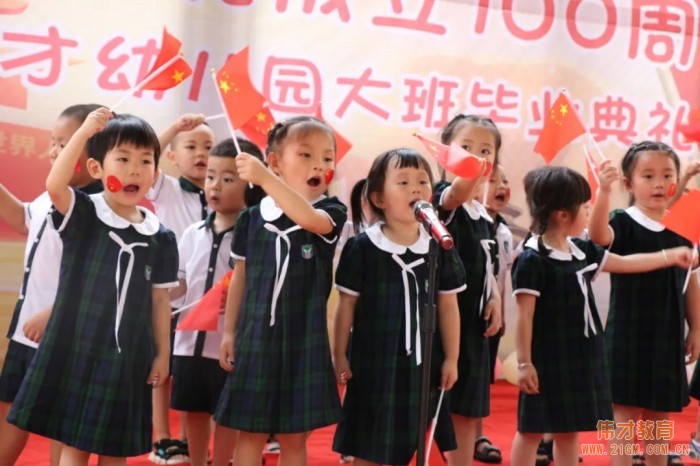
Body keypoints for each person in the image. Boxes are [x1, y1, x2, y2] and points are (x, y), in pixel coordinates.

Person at [7, 108, 179, 466]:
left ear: (155, 172)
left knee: (114, 447)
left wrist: (162, 354)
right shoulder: (85, 213)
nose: (134, 169)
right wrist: (84, 132)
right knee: (75, 443)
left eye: (145, 160)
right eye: (123, 158)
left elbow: (160, 300)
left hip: (129, 355)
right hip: (78, 346)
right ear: (97, 169)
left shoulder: (160, 237)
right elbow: (55, 185)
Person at [512, 165, 694, 466]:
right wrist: (524, 363)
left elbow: (624, 263)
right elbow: (525, 316)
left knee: (568, 431)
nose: (588, 214)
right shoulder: (533, 258)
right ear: (562, 214)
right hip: (547, 358)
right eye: (585, 208)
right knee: (531, 430)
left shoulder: (580, 249)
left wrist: (669, 256)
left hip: (578, 355)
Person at [215, 116, 347, 466]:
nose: (319, 164)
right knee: (251, 432)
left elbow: (308, 220)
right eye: (305, 155)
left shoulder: (330, 211)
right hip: (256, 336)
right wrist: (230, 331)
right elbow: (239, 277)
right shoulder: (251, 218)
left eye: (328, 157)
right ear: (275, 161)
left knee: (293, 435)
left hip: (305, 338)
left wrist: (264, 180)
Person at [331, 148, 463, 465]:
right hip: (374, 363)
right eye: (402, 182)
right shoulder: (363, 246)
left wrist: (452, 358)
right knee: (370, 443)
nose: (415, 188)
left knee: (418, 440)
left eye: (422, 181)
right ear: (379, 198)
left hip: (424, 364)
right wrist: (339, 355)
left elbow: (448, 305)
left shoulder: (438, 244)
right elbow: (345, 306)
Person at [0, 103, 104, 466]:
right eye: (54, 143)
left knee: (62, 421)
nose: (52, 152)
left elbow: (97, 276)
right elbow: (22, 219)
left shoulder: (96, 208)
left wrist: (56, 312)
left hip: (63, 333)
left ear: (93, 156)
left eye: (64, 143)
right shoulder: (51, 195)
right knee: (11, 408)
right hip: (27, 328)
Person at [588, 142, 700, 466]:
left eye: (667, 175)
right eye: (648, 175)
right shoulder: (622, 221)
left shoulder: (680, 227)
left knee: (658, 414)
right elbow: (597, 237)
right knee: (622, 411)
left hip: (666, 333)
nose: (658, 183)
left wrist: (695, 327)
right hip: (627, 333)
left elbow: (690, 279)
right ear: (628, 183)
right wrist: (603, 193)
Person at [170, 138, 264, 466]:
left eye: (228, 178)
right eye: (211, 176)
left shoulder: (254, 235)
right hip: (188, 342)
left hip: (228, 344)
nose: (215, 185)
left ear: (250, 184)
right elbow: (178, 283)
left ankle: (223, 460)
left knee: (227, 413)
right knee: (194, 410)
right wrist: (152, 293)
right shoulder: (192, 233)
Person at [432, 114, 503, 466]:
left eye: (485, 151)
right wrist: (470, 171)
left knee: (466, 415)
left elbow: (489, 268)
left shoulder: (484, 216)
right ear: (444, 154)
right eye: (466, 148)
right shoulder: (442, 201)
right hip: (443, 328)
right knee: (440, 410)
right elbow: (456, 192)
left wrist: (496, 298)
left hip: (474, 329)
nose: (477, 157)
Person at [147, 113, 215, 464]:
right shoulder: (167, 188)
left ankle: (191, 441)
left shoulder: (223, 193)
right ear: (172, 156)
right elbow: (148, 155)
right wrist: (174, 128)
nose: (201, 153)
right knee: (162, 368)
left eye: (209, 147)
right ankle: (162, 437)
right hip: (171, 296)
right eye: (191, 146)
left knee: (196, 372)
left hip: (207, 298)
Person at [474, 163, 513, 464]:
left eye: (505, 181)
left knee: (482, 380)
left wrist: (502, 311)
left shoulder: (502, 229)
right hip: (469, 311)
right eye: (493, 180)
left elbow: (502, 274)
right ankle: (466, 437)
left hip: (492, 314)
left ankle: (477, 434)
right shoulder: (473, 222)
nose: (501, 186)